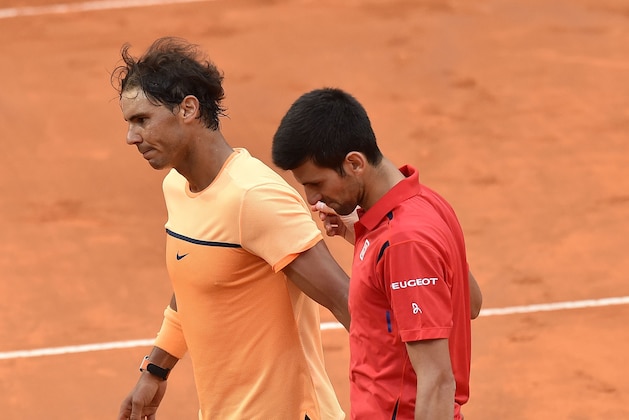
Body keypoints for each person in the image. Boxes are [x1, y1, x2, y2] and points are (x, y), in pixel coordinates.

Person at [111, 37, 350, 420]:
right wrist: (155, 371)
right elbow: (197, 282)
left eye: (142, 120)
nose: (131, 137)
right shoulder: (177, 186)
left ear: (188, 109)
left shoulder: (255, 198)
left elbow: (346, 300)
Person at [272, 87, 482, 420]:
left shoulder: (403, 242)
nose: (312, 199)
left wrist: (392, 248)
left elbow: (438, 381)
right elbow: (469, 301)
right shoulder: (426, 203)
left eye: (316, 183)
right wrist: (362, 235)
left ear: (354, 163)